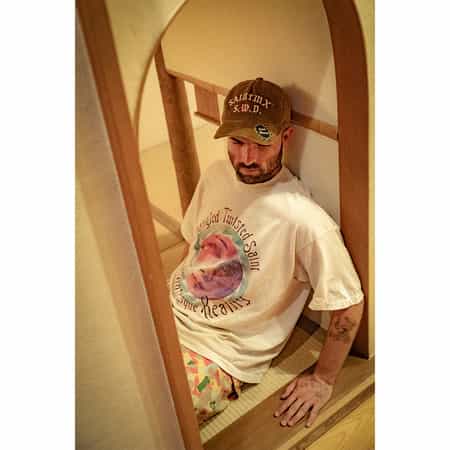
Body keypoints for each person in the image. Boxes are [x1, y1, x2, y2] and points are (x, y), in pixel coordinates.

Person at [169, 77, 364, 427]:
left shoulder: (303, 219)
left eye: (261, 144)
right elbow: (192, 242)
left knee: (159, 415)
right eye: (236, 142)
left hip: (220, 351)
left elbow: (349, 301)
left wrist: (323, 379)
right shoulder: (215, 175)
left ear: (286, 137)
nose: (246, 158)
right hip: (167, 311)